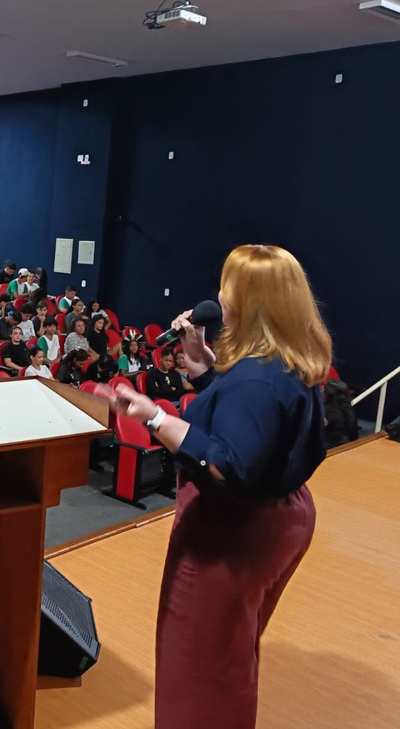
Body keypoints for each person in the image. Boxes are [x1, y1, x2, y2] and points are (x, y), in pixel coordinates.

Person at [95, 244, 331, 729]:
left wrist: (154, 415)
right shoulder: (283, 359)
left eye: (228, 287)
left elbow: (227, 461)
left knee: (198, 667)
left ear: (250, 302)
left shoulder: (257, 380)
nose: (219, 296)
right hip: (280, 517)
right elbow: (246, 422)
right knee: (230, 651)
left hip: (232, 530)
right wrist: (202, 364)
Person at [323, 379, 358, 448]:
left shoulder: (331, 411)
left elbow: (315, 427)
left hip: (331, 449)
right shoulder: (347, 407)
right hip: (345, 446)